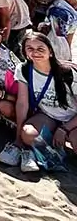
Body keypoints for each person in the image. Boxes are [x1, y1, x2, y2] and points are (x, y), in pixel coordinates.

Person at [13, 32, 77, 172]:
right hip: (49, 116)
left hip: (73, 119)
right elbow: (22, 103)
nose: (35, 53)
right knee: (28, 134)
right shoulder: (23, 69)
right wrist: (18, 138)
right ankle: (53, 154)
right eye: (30, 48)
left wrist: (64, 129)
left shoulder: (67, 73)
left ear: (51, 52)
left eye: (40, 49)